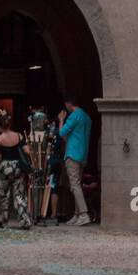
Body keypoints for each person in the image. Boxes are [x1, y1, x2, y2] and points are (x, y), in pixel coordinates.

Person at [0, 113, 32, 229]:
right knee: (19, 195)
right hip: (18, 167)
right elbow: (27, 151)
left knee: (3, 195)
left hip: (5, 168)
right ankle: (24, 221)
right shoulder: (18, 136)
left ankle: (2, 221)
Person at [58, 96, 93, 227]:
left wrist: (61, 119)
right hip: (82, 154)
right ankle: (77, 214)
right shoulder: (86, 117)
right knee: (77, 184)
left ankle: (83, 214)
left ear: (68, 103)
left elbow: (62, 133)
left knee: (75, 185)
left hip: (72, 153)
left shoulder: (74, 116)